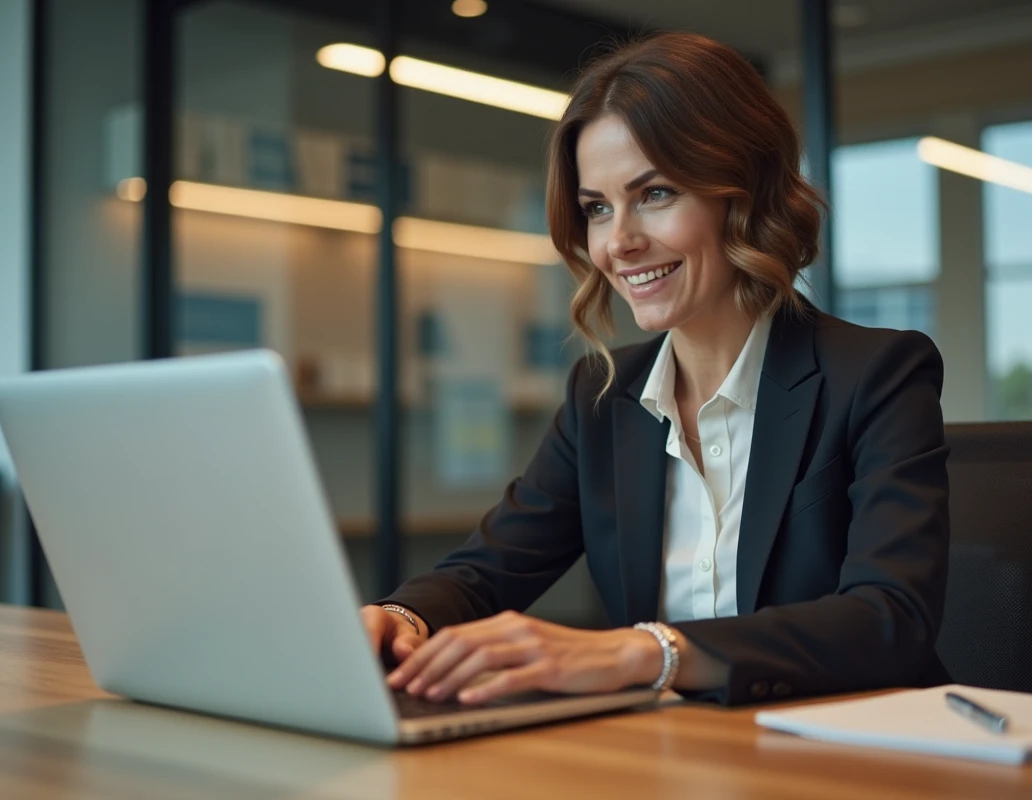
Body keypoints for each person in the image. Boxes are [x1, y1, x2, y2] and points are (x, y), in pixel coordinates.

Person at [361, 31, 951, 707]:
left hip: (854, 754)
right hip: (674, 753)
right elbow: (484, 574)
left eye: (657, 193)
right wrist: (400, 618)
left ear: (744, 193)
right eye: (598, 209)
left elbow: (890, 620)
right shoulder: (603, 396)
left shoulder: (875, 373)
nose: (620, 242)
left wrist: (647, 651)